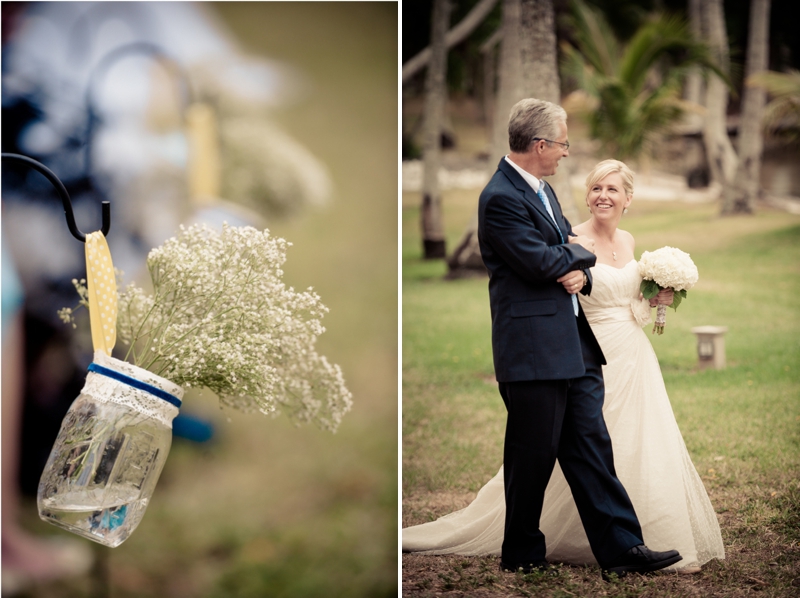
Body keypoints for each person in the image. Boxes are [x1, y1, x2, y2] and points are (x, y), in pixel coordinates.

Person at [402, 153, 726, 574]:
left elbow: (628, 295)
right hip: (576, 350)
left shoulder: (627, 242)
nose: (603, 196)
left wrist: (656, 295)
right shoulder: (570, 237)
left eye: (612, 189)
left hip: (627, 354)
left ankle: (625, 545)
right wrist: (580, 271)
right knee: (564, 444)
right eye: (596, 188)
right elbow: (565, 281)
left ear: (628, 198)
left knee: (603, 446)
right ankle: (547, 540)